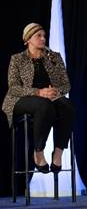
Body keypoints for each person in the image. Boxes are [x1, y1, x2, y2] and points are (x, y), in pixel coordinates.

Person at [2, 23, 75, 174]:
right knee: (44, 106)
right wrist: (38, 92)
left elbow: (66, 84)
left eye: (44, 36)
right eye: (38, 36)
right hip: (21, 99)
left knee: (67, 106)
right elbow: (14, 88)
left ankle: (58, 152)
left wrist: (55, 91)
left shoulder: (54, 57)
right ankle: (38, 151)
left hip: (50, 96)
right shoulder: (17, 59)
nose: (43, 39)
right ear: (28, 39)